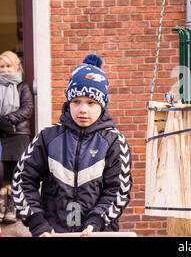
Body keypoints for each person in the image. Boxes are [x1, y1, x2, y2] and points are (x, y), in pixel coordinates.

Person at [11, 54, 133, 237]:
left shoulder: (115, 142)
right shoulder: (47, 137)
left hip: (98, 233)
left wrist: (96, 222)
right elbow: (22, 180)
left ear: (103, 105)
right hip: (53, 232)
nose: (83, 109)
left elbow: (118, 190)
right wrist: (38, 222)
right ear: (68, 103)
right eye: (76, 102)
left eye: (91, 103)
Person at [0, 51, 34, 224]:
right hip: (1, 135)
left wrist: (7, 119)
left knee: (16, 172)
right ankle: (1, 206)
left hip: (18, 135)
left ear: (16, 67)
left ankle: (12, 208)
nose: (5, 70)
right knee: (2, 172)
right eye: (1, 66)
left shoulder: (23, 86)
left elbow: (27, 109)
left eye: (8, 66)